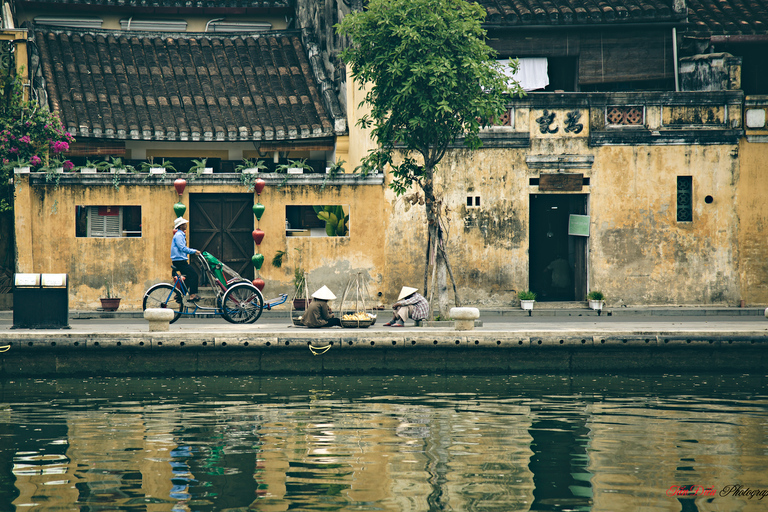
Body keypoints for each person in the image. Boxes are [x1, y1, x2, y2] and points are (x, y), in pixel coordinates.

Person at [171, 217, 202, 301]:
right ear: (181, 226)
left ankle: (179, 294)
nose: (186, 225)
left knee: (188, 277)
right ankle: (192, 295)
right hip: (179, 261)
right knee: (194, 275)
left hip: (180, 261)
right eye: (184, 224)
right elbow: (182, 248)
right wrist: (194, 251)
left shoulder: (180, 234)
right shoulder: (179, 235)